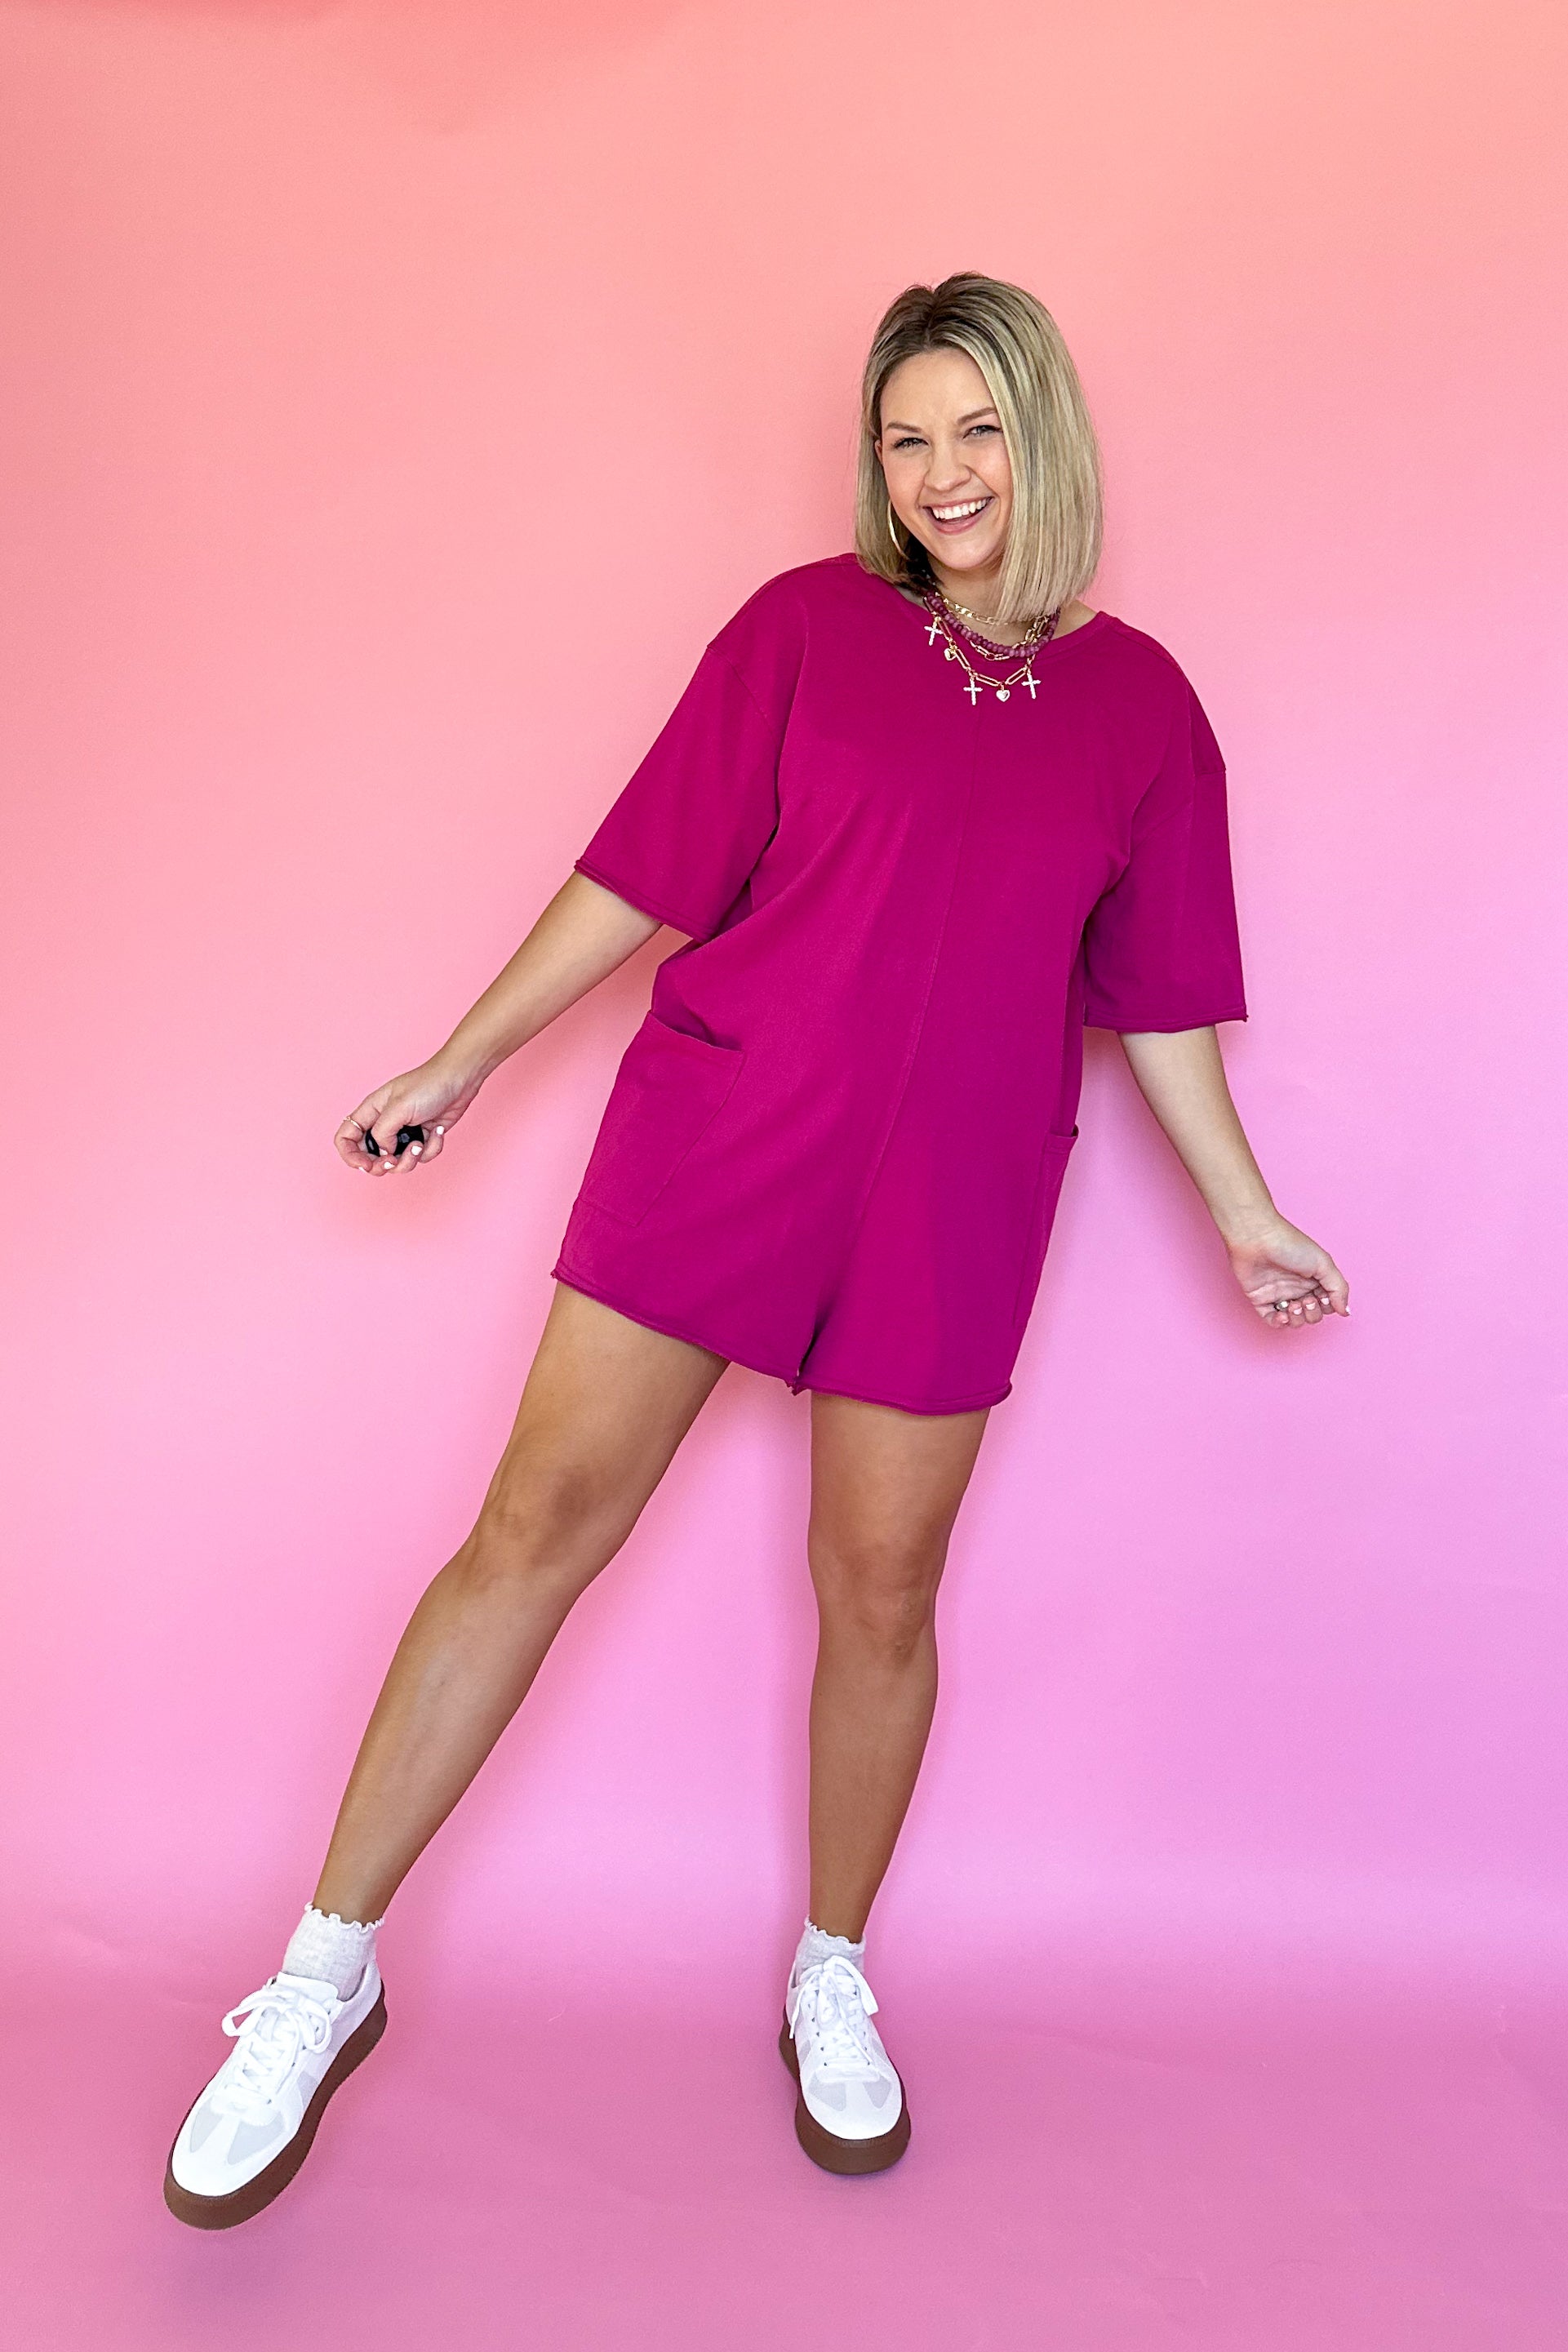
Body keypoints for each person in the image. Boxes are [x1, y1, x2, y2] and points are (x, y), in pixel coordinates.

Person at [163, 271, 1348, 2227]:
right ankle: (321, 1973)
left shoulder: (1145, 707)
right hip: (720, 1141)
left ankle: (829, 1967)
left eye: (977, 429)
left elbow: (1154, 1004)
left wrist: (1245, 1214)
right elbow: (639, 870)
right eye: (906, 437)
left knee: (880, 1589)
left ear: (1044, 438)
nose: (941, 472)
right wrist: (463, 1059)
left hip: (956, 1189)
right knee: (531, 1527)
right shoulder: (802, 629)